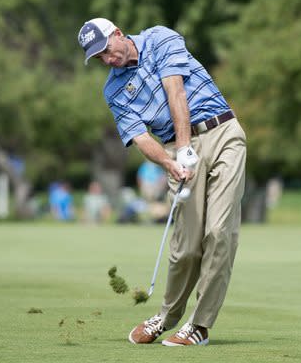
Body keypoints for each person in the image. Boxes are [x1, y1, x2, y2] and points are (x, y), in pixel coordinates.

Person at [77, 18, 246, 346]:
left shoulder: (160, 39)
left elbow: (175, 90)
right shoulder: (113, 90)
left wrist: (184, 148)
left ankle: (199, 325)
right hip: (174, 149)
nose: (107, 60)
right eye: (99, 58)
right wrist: (171, 162)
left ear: (117, 34)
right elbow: (140, 137)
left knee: (218, 233)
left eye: (107, 50)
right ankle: (167, 316)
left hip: (222, 133)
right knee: (185, 248)